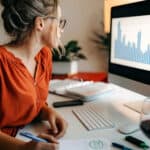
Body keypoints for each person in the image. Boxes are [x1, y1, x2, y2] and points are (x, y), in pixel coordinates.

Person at [0, 0, 68, 149]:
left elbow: (28, 104)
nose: (61, 29)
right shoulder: (1, 64)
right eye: (59, 22)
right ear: (40, 24)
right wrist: (24, 148)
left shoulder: (45, 56)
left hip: (26, 133)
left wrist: (46, 112)